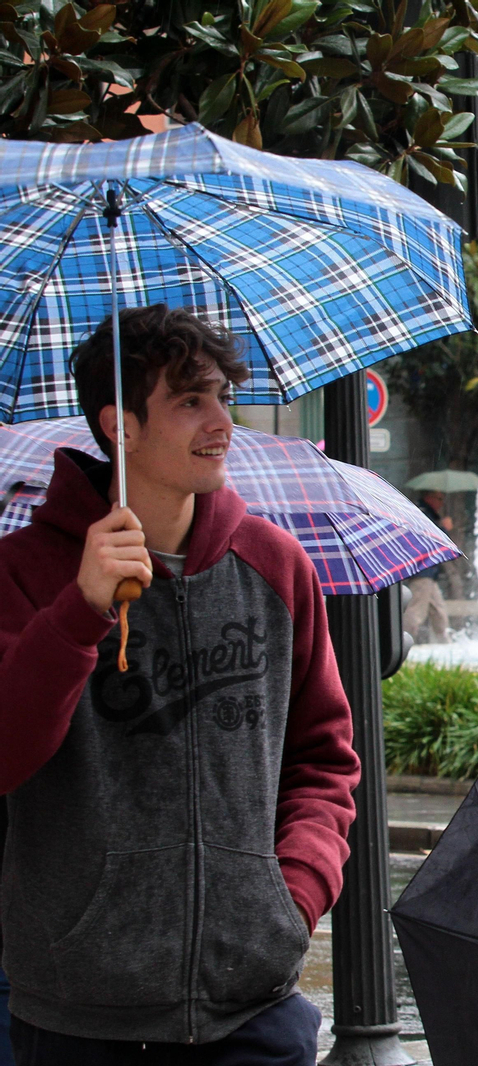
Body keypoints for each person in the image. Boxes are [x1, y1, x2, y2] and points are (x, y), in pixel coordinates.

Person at [0, 305, 361, 1064]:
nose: (222, 422)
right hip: (79, 1020)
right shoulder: (26, 572)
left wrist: (291, 898)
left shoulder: (274, 565)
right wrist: (79, 612)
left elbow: (323, 761)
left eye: (224, 397)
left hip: (254, 1013)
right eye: (191, 401)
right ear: (119, 426)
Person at [404, 489, 453, 643]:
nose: (441, 503)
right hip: (422, 570)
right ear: (429, 497)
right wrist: (445, 528)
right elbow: (431, 538)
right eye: (439, 498)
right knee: (416, 610)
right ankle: (404, 641)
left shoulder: (426, 513)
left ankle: (445, 643)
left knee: (439, 610)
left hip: (429, 572)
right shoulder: (422, 512)